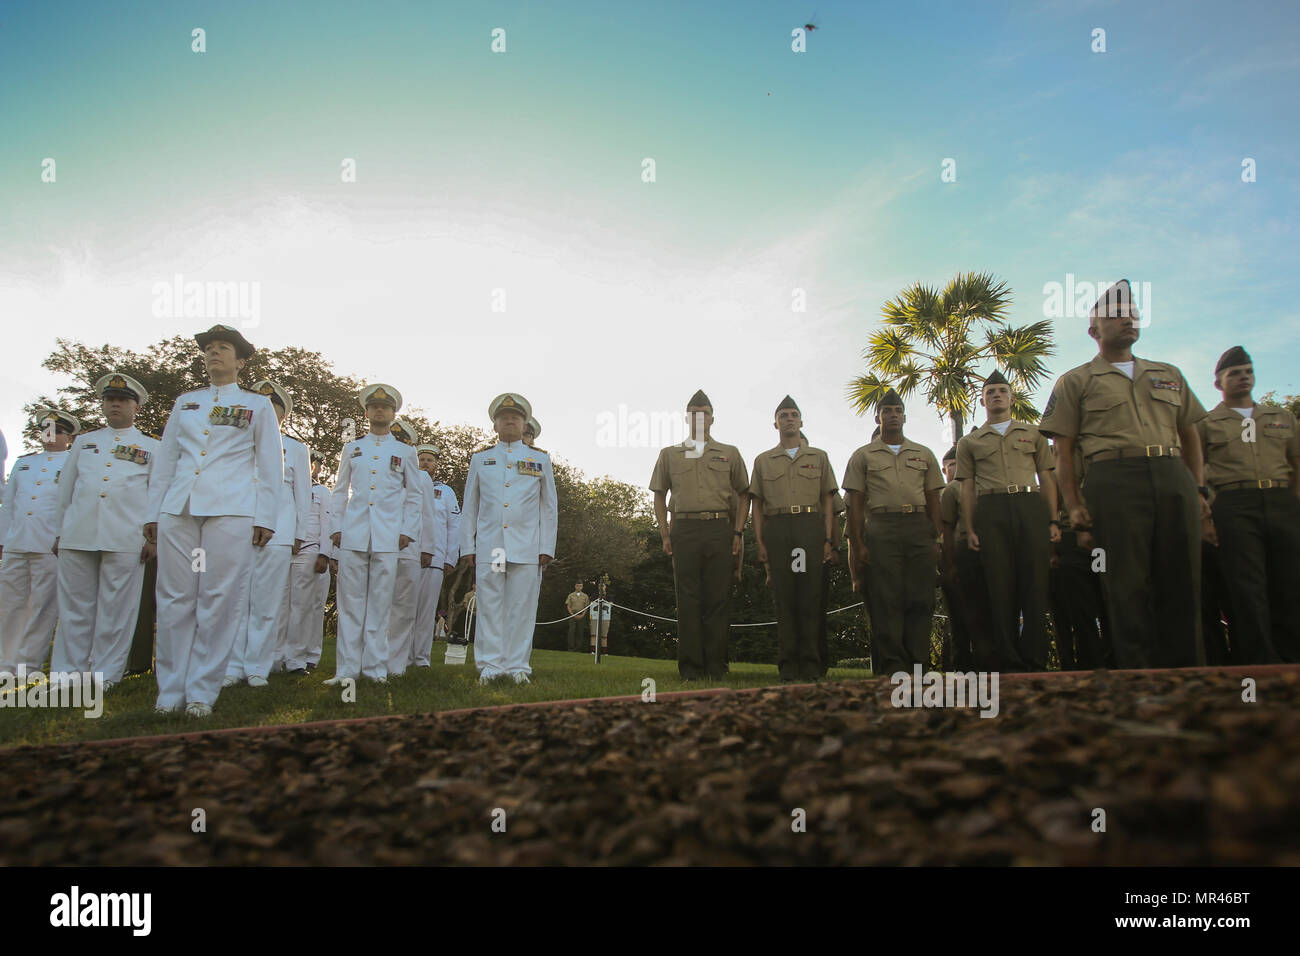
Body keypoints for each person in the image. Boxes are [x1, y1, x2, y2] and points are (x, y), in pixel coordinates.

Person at [1039, 279, 1210, 669]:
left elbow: (1190, 435)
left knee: (1183, 581)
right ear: (1093, 330)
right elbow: (1062, 453)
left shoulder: (1168, 373)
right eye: (1115, 315)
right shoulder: (1075, 381)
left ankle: (1189, 677)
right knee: (1125, 584)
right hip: (1113, 480)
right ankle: (1139, 680)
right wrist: (1074, 504)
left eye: (1132, 313)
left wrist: (1198, 488)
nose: (1128, 319)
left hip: (1172, 474)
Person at [145, 325, 282, 717]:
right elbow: (167, 460)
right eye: (208, 348)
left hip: (231, 510)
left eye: (222, 348)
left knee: (218, 599)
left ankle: (202, 690)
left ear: (240, 361)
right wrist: (153, 512)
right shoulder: (186, 402)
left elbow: (271, 465)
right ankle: (170, 691)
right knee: (175, 598)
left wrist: (266, 516)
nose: (213, 353)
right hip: (180, 509)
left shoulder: (256, 406)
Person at [51, 373, 159, 687]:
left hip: (126, 536)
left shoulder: (152, 446)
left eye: (122, 400)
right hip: (79, 532)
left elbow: (158, 493)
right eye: (109, 399)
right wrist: (60, 532)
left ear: (136, 406)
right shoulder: (85, 442)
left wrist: (153, 537)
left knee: (117, 610)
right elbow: (65, 491)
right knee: (75, 609)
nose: (115, 404)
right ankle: (68, 675)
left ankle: (105, 675)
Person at [1197, 345, 1300, 663]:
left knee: (1289, 583)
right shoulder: (1207, 423)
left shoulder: (1281, 417)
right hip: (1233, 504)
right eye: (1234, 373)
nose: (1244, 377)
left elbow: (1296, 462)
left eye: (1248, 371)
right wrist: (1205, 517)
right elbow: (1196, 470)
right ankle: (1260, 663)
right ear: (1218, 383)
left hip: (1282, 500)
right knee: (1247, 587)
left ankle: (1292, 661)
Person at [957, 370, 1060, 671]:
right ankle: (1007, 659)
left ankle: (1035, 658)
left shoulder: (1033, 434)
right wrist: (972, 527)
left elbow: (1048, 478)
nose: (997, 395)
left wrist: (1053, 520)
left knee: (1034, 584)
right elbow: (966, 486)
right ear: (982, 400)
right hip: (991, 507)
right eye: (990, 392)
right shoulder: (970, 442)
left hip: (1029, 504)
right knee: (999, 585)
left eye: (1002, 390)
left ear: (1012, 398)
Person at [648, 389, 750, 681]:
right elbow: (659, 495)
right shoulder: (669, 454)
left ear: (713, 418)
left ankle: (716, 666)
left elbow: (745, 494)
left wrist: (738, 532)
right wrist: (665, 534)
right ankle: (691, 668)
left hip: (719, 527)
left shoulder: (729, 453)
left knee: (718, 598)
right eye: (694, 412)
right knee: (688, 598)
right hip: (684, 528)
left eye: (704, 412)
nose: (699, 417)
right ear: (686, 418)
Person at [842, 389, 944, 675]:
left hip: (917, 526)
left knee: (921, 598)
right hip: (881, 527)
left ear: (905, 416)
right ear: (878, 417)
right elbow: (856, 503)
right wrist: (859, 543)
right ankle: (893, 666)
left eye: (898, 411)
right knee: (886, 600)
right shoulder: (863, 455)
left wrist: (937, 537)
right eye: (887, 411)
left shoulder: (923, 453)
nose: (893, 415)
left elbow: (934, 497)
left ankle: (919, 665)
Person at [460, 392, 558, 684]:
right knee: (490, 605)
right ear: (495, 425)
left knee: (522, 609)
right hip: (493, 547)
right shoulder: (482, 459)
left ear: (525, 422)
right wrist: (468, 544)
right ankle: (490, 666)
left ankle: (517, 667)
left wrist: (546, 546)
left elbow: (548, 507)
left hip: (527, 547)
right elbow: (470, 506)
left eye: (515, 416)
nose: (510, 420)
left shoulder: (540, 460)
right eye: (504, 417)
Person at [327, 384, 422, 685]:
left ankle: (375, 669)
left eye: (386, 406)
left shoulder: (405, 452)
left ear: (394, 413)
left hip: (388, 535)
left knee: (381, 606)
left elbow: (414, 496)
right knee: (351, 605)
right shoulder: (352, 448)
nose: (379, 410)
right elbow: (340, 491)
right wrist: (337, 527)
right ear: (366, 412)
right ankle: (346, 672)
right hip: (354, 532)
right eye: (374, 406)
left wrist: (407, 530)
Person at [225, 380, 309, 687]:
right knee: (235, 600)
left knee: (266, 602)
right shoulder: (234, 441)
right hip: (236, 525)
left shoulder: (296, 449)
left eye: (271, 408)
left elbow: (303, 495)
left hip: (279, 528)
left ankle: (258, 667)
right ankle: (232, 666)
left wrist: (299, 532)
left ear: (282, 416)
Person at [749, 396, 837, 682]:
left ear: (801, 421)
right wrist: (760, 542)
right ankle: (788, 666)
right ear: (775, 422)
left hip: (808, 528)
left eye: (794, 414)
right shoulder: (763, 460)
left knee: (808, 596)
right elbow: (757, 506)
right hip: (779, 529)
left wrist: (826, 540)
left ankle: (810, 665)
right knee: (784, 597)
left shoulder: (818, 457)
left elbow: (827, 499)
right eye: (783, 415)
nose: (789, 418)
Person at [0, 407, 78, 679]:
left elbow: (71, 505)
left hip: (49, 545)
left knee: (43, 609)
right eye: (46, 429)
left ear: (69, 437)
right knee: (9, 607)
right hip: (17, 543)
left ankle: (27, 667)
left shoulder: (73, 462)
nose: (50, 434)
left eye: (57, 431)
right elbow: (8, 505)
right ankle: (4, 665)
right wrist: (3, 539)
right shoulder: (24, 463)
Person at [1047, 443, 1110, 669]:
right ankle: (1090, 664)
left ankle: (1114, 661)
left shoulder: (1098, 454)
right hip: (1071, 542)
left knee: (1108, 600)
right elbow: (1050, 509)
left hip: (1101, 545)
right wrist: (1053, 551)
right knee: (1081, 609)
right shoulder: (1054, 463)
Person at [384, 418, 437, 676]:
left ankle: (396, 661)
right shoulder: (378, 467)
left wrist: (427, 548)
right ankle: (371, 657)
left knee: (404, 607)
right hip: (378, 545)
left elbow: (427, 515)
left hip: (408, 549)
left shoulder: (421, 478)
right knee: (378, 604)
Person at [282, 448, 333, 674]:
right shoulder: (285, 486)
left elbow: (327, 524)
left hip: (309, 550)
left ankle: (301, 658)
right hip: (282, 549)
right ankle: (278, 656)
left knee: (305, 607)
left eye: (316, 464)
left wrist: (325, 554)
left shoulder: (321, 491)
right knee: (281, 606)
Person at [412, 442, 457, 669]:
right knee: (402, 608)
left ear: (436, 465)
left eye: (430, 460)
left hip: (435, 560)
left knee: (426, 611)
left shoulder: (446, 492)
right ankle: (397, 656)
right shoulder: (406, 485)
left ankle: (420, 658)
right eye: (422, 459)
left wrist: (450, 558)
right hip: (406, 556)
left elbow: (453, 526)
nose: (425, 463)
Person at [938, 446, 978, 672]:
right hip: (951, 557)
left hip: (972, 553)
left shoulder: (972, 486)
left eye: (953, 464)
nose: (950, 471)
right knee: (957, 618)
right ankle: (960, 664)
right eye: (946, 467)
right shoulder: (945, 492)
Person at [565, 580, 590, 652]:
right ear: (575, 586)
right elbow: (568, 606)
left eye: (580, 586)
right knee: (571, 631)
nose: (579, 587)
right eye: (577, 585)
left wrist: (582, 615)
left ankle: (578, 649)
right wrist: (572, 615)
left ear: (582, 587)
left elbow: (586, 607)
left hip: (581, 615)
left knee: (580, 632)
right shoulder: (571, 595)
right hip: (572, 615)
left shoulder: (585, 596)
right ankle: (571, 648)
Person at [589, 583, 612, 655]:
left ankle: (604, 652)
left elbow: (611, 604)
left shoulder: (609, 596)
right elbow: (592, 603)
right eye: (600, 586)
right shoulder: (594, 595)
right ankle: (593, 651)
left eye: (603, 586)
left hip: (605, 617)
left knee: (604, 635)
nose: (601, 587)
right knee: (593, 634)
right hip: (595, 616)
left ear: (605, 587)